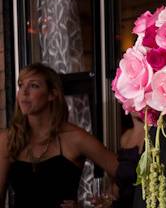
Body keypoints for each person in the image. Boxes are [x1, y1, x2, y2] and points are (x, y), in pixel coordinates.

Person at [0, 63, 118, 208]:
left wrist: (109, 200)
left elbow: (125, 174)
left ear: (52, 94)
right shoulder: (8, 139)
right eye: (21, 85)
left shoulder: (74, 138)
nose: (24, 92)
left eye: (34, 86)